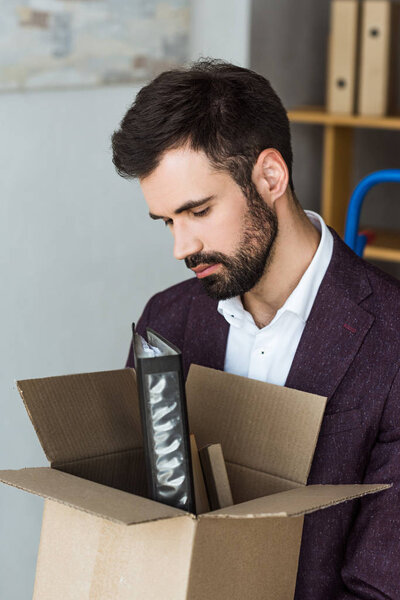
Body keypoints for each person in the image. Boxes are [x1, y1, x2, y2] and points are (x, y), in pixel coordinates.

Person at [111, 59, 400, 599]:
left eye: (198, 211)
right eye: (168, 221)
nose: (181, 247)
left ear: (270, 176)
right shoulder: (165, 322)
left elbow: (382, 586)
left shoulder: (393, 341)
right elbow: (137, 518)